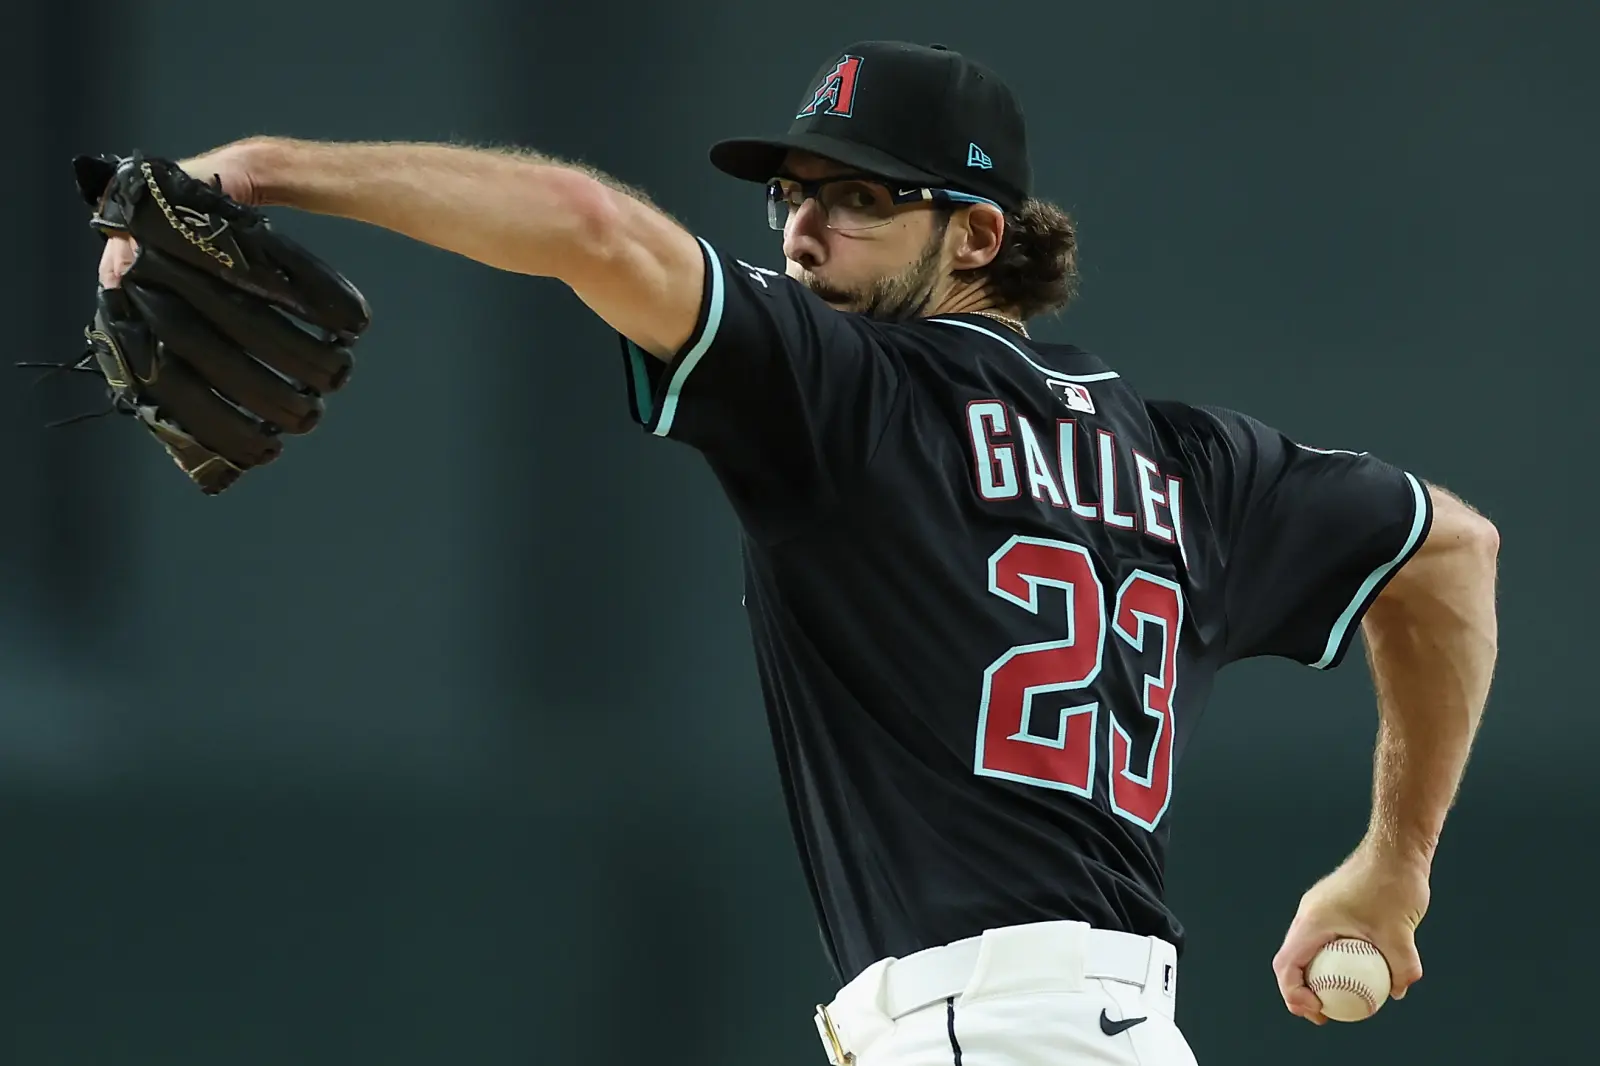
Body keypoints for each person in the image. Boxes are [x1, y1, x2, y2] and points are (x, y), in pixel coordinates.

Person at [98, 39, 1499, 1066]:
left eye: (859, 197)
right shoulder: (1188, 465)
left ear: (979, 234)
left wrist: (263, 168)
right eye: (790, 194)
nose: (805, 230)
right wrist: (1397, 864)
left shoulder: (855, 392)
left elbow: (590, 228)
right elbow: (1450, 552)